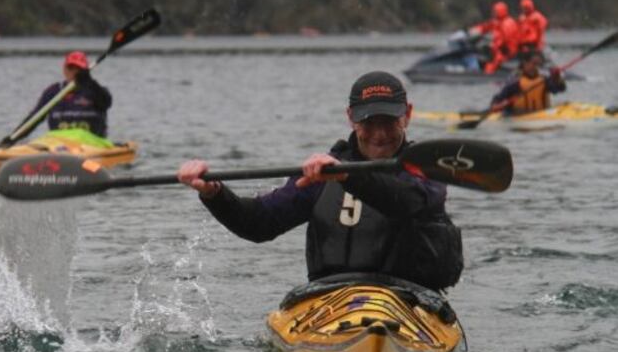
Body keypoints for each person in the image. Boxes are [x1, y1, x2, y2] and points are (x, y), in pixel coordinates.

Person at [177, 71, 463, 291]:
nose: (379, 134)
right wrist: (214, 192)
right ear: (351, 118)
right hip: (331, 300)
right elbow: (259, 223)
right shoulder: (322, 174)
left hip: (410, 300)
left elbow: (409, 201)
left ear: (407, 115)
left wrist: (348, 176)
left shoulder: (426, 169)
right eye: (368, 122)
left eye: (388, 121)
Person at [30, 51, 112, 137]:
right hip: (58, 144)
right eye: (70, 68)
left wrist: (89, 82)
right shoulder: (53, 92)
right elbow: (33, 120)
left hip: (91, 143)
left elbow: (106, 102)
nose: (74, 72)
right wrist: (16, 136)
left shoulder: (95, 90)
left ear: (86, 72)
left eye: (78, 69)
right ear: (64, 69)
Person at [490, 50, 565, 115]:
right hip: (519, 115)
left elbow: (560, 89)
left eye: (539, 64)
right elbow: (499, 98)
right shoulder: (515, 80)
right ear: (525, 63)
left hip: (542, 113)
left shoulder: (544, 79)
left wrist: (557, 78)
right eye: (534, 64)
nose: (537, 67)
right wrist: (495, 105)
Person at [471, 1, 519, 74]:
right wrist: (475, 30)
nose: (493, 13)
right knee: (482, 52)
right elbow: (486, 26)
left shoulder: (508, 23)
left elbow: (505, 39)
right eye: (493, 11)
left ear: (501, 11)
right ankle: (478, 69)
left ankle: (488, 75)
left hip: (506, 50)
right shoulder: (496, 21)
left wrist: (492, 44)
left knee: (495, 60)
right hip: (497, 47)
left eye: (495, 11)